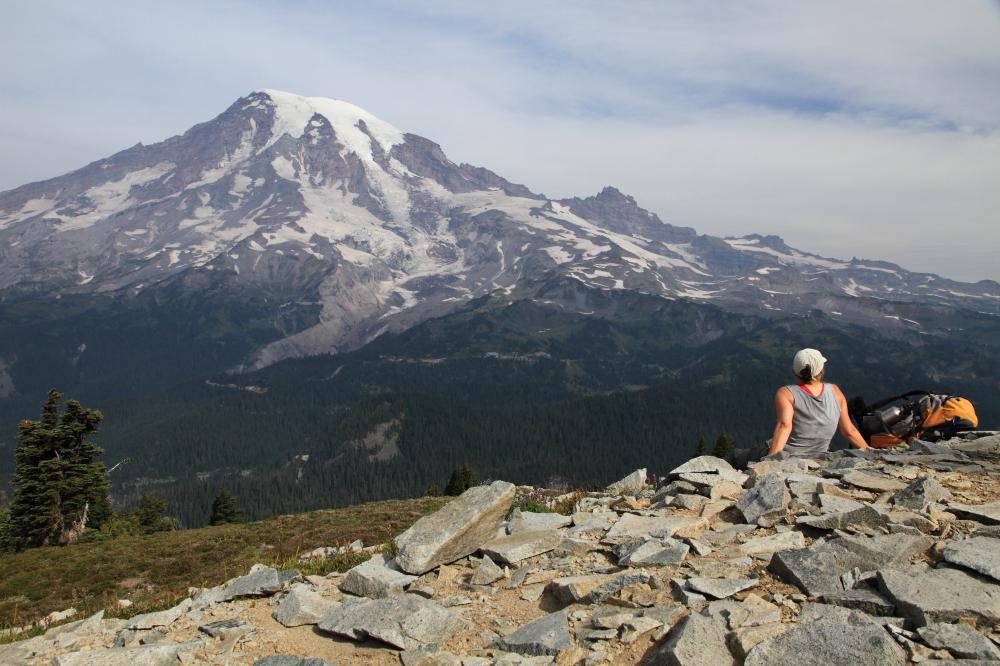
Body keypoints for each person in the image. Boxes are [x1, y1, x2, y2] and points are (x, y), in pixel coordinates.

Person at [767, 348, 869, 457]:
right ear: (821, 370)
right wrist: (870, 453)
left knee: (746, 456)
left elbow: (784, 426)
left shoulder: (786, 393)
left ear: (795, 371)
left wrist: (770, 460)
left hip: (788, 455)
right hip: (819, 455)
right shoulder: (835, 391)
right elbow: (849, 431)